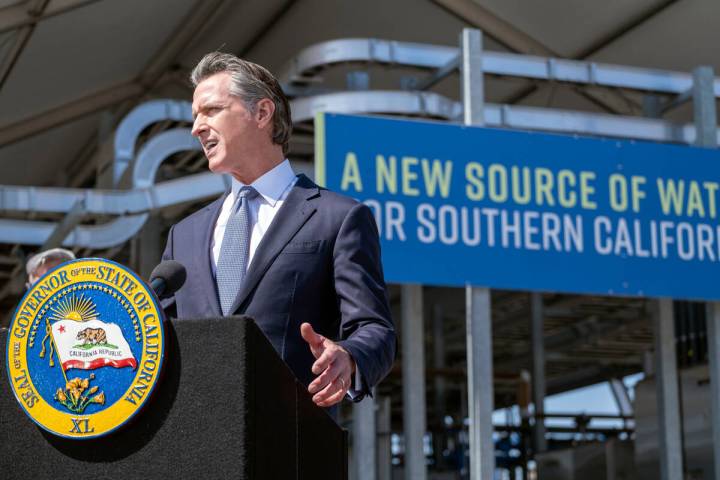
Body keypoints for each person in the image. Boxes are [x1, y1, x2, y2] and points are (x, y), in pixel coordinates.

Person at [161, 52, 396, 408]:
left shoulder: (338, 217)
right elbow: (157, 340)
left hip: (290, 439)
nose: (196, 128)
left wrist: (348, 357)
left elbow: (375, 329)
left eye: (211, 111)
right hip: (196, 440)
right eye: (195, 117)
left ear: (262, 112)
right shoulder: (184, 235)